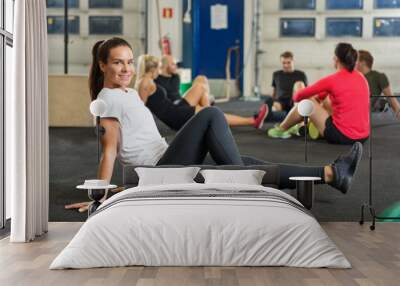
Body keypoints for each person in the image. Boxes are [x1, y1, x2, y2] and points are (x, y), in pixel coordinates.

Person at [65, 38, 363, 211]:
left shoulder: (126, 93)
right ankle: (247, 190)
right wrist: (100, 198)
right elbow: (109, 152)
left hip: (168, 158)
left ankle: (331, 174)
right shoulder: (108, 101)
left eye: (129, 61)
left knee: (246, 161)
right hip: (158, 172)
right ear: (103, 65)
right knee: (210, 115)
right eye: (118, 62)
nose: (126, 68)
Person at [268, 43, 370, 145]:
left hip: (342, 136)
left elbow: (297, 96)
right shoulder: (361, 77)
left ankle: (281, 129)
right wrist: (318, 98)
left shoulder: (332, 79)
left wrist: (307, 94)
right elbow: (334, 92)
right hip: (363, 137)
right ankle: (305, 125)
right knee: (327, 99)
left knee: (306, 102)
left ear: (336, 59)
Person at [135, 54, 268, 131]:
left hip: (175, 110)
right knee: (212, 113)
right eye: (159, 67)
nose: (160, 70)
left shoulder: (147, 81)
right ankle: (252, 121)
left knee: (202, 94)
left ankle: (212, 122)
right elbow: (140, 108)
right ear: (152, 68)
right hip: (175, 117)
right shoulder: (146, 82)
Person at [356, 50, 400, 120]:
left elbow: (392, 100)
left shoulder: (379, 77)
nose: (352, 63)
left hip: (363, 118)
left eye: (355, 60)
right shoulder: (352, 78)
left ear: (363, 62)